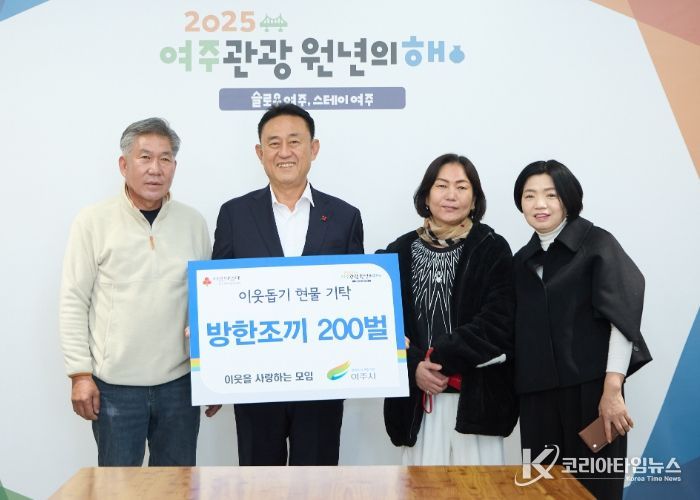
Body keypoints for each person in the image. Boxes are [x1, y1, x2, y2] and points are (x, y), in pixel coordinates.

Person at [212, 103, 364, 466]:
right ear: (259, 152)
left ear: (313, 148)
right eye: (274, 143)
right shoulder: (234, 214)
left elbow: (357, 296)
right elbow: (218, 292)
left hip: (323, 381)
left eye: (294, 141)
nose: (284, 152)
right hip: (255, 380)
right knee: (259, 481)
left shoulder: (344, 216)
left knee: (318, 481)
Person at [59, 118, 216, 466]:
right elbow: (73, 300)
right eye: (145, 157)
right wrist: (80, 374)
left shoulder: (193, 223)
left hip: (179, 385)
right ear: (123, 164)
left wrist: (212, 374)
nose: (155, 169)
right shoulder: (93, 221)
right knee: (118, 487)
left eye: (165, 159)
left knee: (177, 486)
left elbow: (207, 304)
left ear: (174, 166)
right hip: (115, 387)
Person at [512, 160, 652, 499]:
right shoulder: (520, 262)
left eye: (551, 194)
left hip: (593, 397)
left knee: (595, 491)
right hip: (538, 401)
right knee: (542, 491)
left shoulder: (597, 244)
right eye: (529, 196)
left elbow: (622, 319)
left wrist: (612, 390)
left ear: (568, 199)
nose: (540, 204)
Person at [382, 153, 518, 465]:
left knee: (479, 487)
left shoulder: (492, 248)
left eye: (462, 187)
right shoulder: (398, 251)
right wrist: (415, 367)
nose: (451, 195)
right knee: (420, 487)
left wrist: (439, 359)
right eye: (442, 186)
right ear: (426, 196)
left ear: (475, 200)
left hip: (476, 402)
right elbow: (385, 325)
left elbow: (498, 323)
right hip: (418, 401)